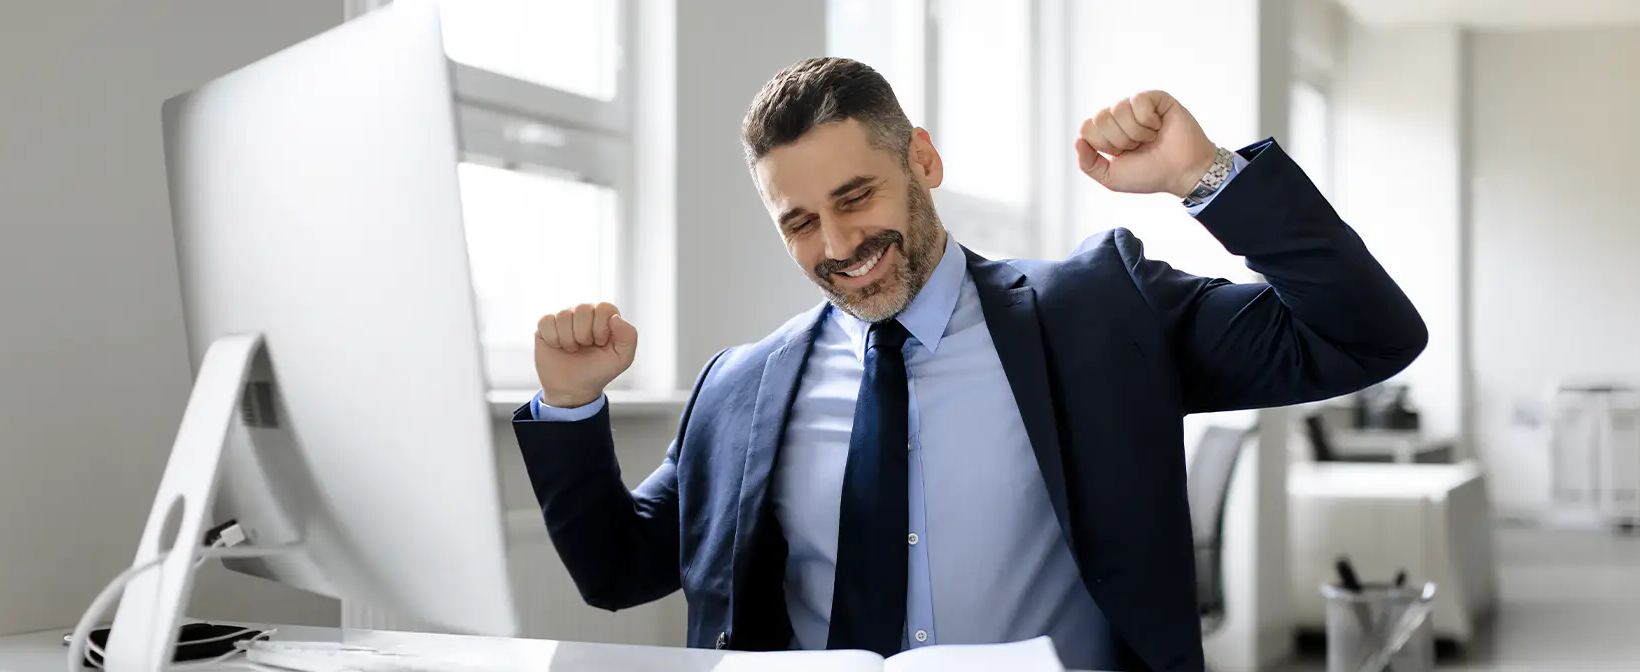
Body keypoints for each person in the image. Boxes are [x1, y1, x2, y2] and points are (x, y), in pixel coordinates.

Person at [511, 57, 1425, 672]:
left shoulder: (1103, 311)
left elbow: (1367, 335)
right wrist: (568, 408)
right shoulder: (742, 387)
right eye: (798, 221)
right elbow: (619, 570)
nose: (837, 243)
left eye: (856, 195)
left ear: (923, 160)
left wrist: (1205, 176)